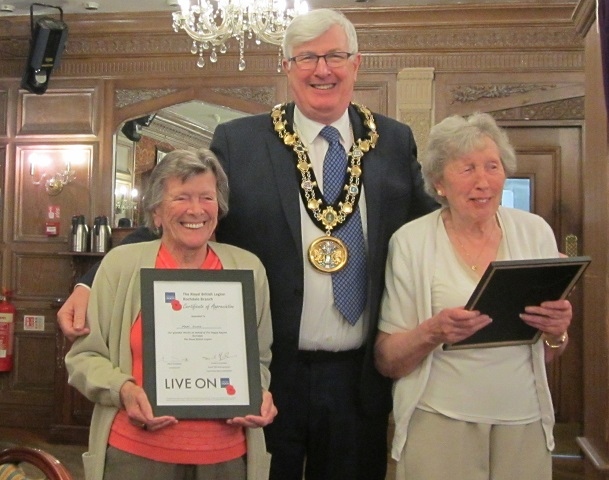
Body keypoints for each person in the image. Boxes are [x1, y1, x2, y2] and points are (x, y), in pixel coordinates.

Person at [58, 8, 438, 480]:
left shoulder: (393, 142)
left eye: (335, 56)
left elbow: (432, 228)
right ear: (287, 69)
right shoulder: (241, 142)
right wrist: (92, 282)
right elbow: (182, 217)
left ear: (356, 64)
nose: (323, 69)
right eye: (307, 58)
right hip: (264, 380)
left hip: (357, 380)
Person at [374, 112, 573, 480]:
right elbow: (388, 361)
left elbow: (547, 352)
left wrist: (557, 330)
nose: (483, 182)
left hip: (523, 420)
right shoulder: (411, 242)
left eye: (492, 167)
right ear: (439, 183)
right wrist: (433, 331)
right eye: (467, 169)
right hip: (439, 421)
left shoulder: (535, 233)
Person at [64, 149, 277, 480]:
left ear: (218, 209)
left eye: (206, 197)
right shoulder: (121, 266)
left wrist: (258, 394)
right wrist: (123, 390)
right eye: (181, 198)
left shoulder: (247, 267)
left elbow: (259, 360)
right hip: (137, 455)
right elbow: (83, 357)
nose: (196, 209)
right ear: (157, 211)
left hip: (227, 459)